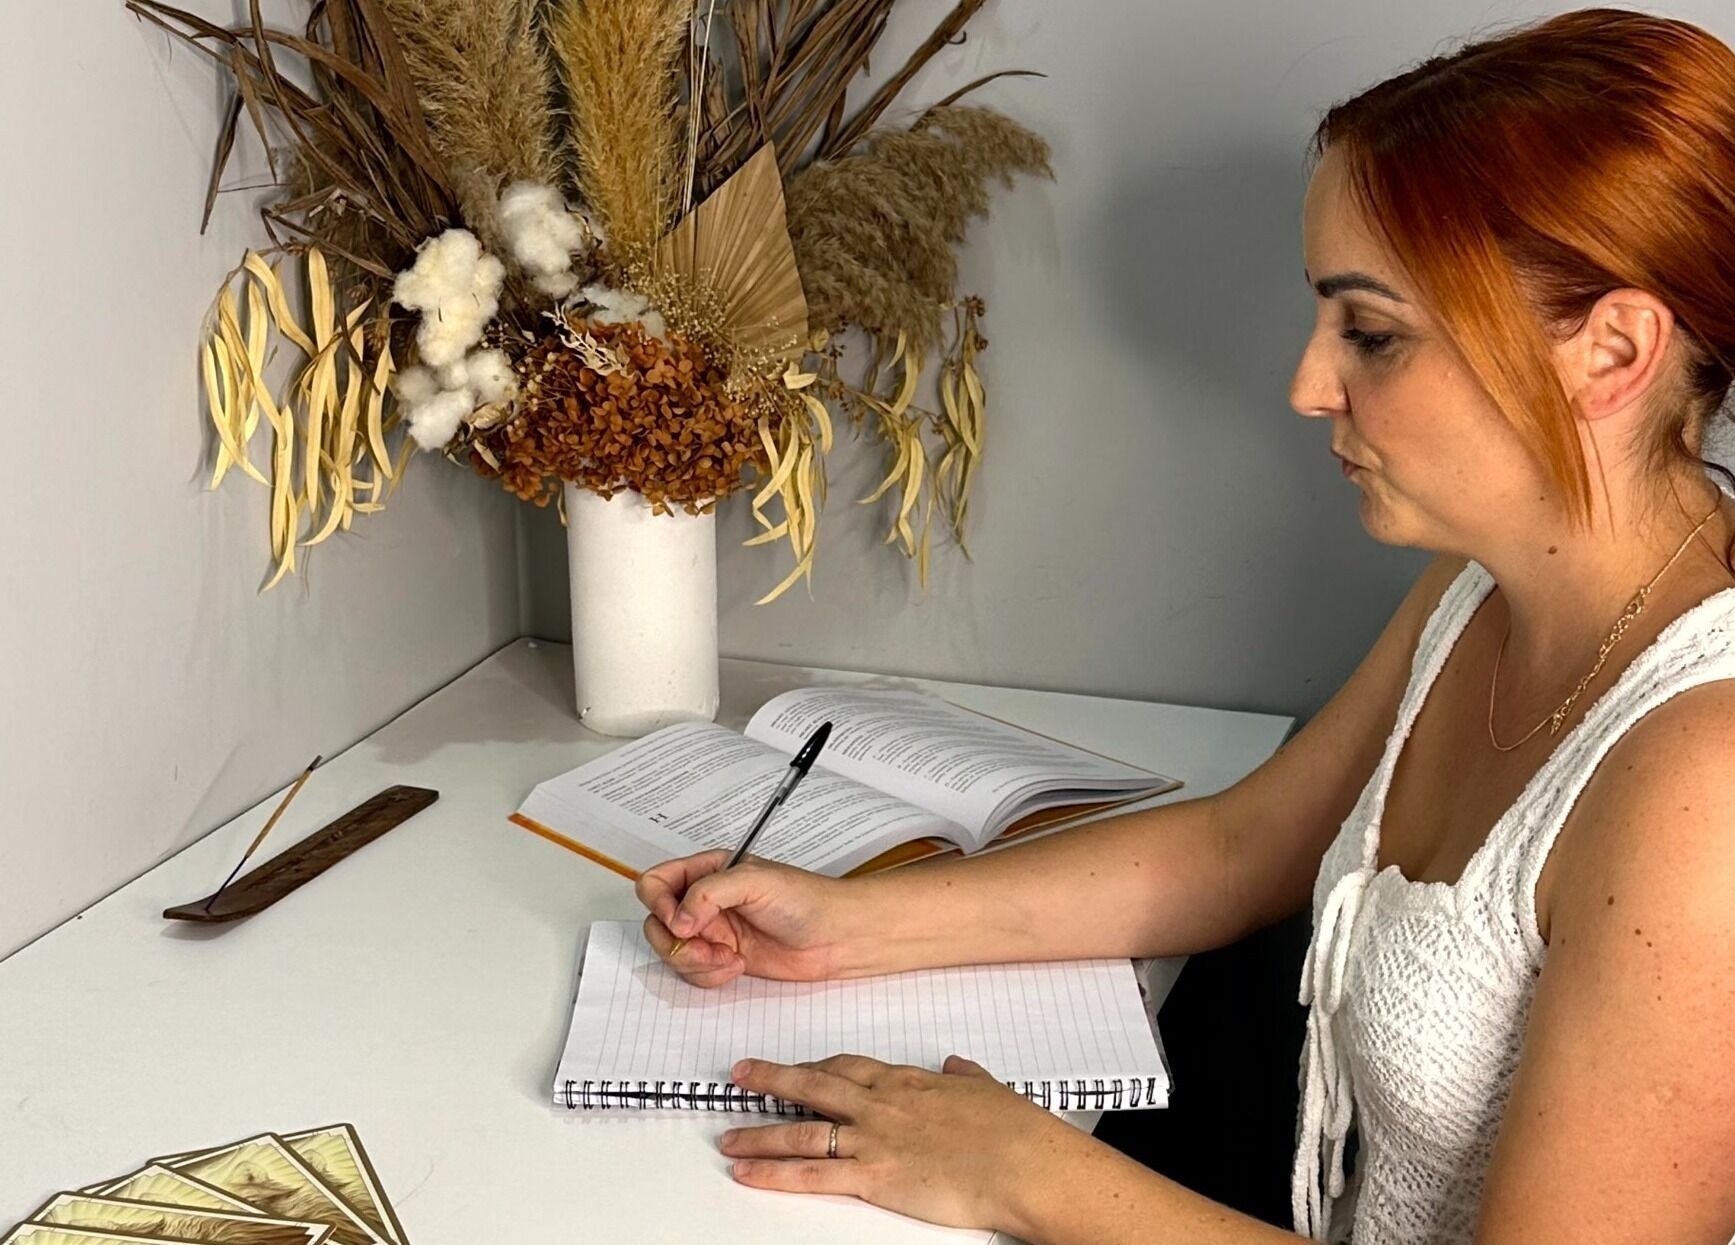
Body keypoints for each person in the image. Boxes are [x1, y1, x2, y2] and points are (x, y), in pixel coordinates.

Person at [633, 9, 1735, 1242]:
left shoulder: (1704, 787)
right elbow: (1243, 847)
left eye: (1372, 335)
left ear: (1611, 352)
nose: (1307, 385)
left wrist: (1022, 1169)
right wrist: (841, 930)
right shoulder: (1479, 587)